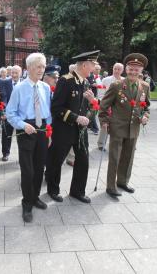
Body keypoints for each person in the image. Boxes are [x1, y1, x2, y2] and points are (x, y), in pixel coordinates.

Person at [45, 50, 98, 204]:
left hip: (80, 131)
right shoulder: (65, 80)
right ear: (84, 65)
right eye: (92, 64)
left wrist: (91, 100)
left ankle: (77, 191)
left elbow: (84, 108)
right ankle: (52, 189)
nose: (94, 67)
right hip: (64, 129)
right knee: (56, 160)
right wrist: (76, 118)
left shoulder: (86, 82)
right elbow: (56, 108)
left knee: (83, 160)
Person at [6, 52, 51, 223]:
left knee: (40, 167)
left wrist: (49, 131)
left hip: (42, 129)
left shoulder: (45, 88)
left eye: (43, 66)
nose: (42, 70)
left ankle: (35, 197)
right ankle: (26, 203)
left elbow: (48, 113)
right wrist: (23, 125)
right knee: (28, 170)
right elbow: (10, 113)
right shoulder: (19, 88)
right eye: (38, 66)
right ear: (29, 68)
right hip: (26, 130)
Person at [99, 53, 150, 198]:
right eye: (131, 69)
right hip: (117, 127)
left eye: (136, 69)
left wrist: (145, 116)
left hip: (134, 128)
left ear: (141, 71)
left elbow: (146, 107)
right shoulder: (117, 86)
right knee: (115, 158)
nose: (133, 72)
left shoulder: (144, 87)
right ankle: (110, 186)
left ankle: (122, 182)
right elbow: (103, 106)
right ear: (126, 70)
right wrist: (104, 121)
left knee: (128, 157)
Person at [97, 62, 124, 151]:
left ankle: (115, 144)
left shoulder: (125, 81)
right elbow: (100, 94)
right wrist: (103, 105)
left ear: (122, 70)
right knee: (105, 125)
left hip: (119, 108)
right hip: (107, 106)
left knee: (117, 126)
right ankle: (101, 144)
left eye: (118, 69)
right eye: (115, 68)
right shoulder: (106, 80)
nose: (116, 71)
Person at [0, 65, 22, 161]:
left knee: (22, 136)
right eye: (12, 72)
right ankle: (5, 153)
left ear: (20, 74)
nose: (14, 75)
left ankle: (23, 155)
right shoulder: (5, 83)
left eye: (16, 73)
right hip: (8, 114)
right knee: (6, 135)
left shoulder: (24, 84)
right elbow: (2, 98)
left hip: (21, 115)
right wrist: (3, 112)